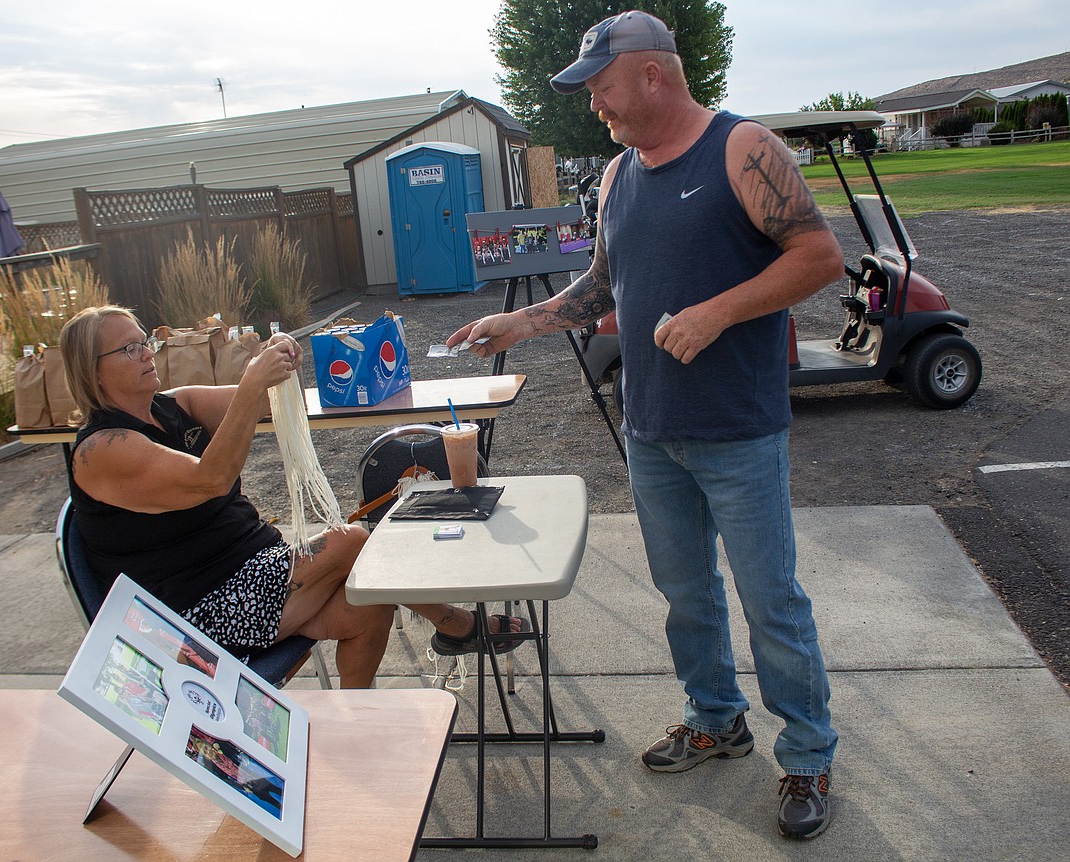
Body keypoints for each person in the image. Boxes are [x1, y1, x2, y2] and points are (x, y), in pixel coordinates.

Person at [446, 10, 842, 839]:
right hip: (653, 429)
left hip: (738, 428)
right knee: (686, 595)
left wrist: (718, 313)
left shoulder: (742, 149)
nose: (595, 104)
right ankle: (716, 717)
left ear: (653, 76)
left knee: (771, 601)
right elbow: (603, 285)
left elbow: (818, 258)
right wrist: (522, 324)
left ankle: (806, 757)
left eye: (601, 86)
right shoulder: (620, 177)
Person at [59, 305, 527, 688]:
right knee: (353, 542)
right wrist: (250, 383)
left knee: (367, 601)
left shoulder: (175, 405)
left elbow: (267, 403)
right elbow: (211, 480)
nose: (146, 353)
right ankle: (456, 626)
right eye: (130, 348)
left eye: (147, 342)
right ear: (93, 372)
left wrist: (276, 365)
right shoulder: (101, 451)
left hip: (255, 578)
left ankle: (353, 724)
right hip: (192, 618)